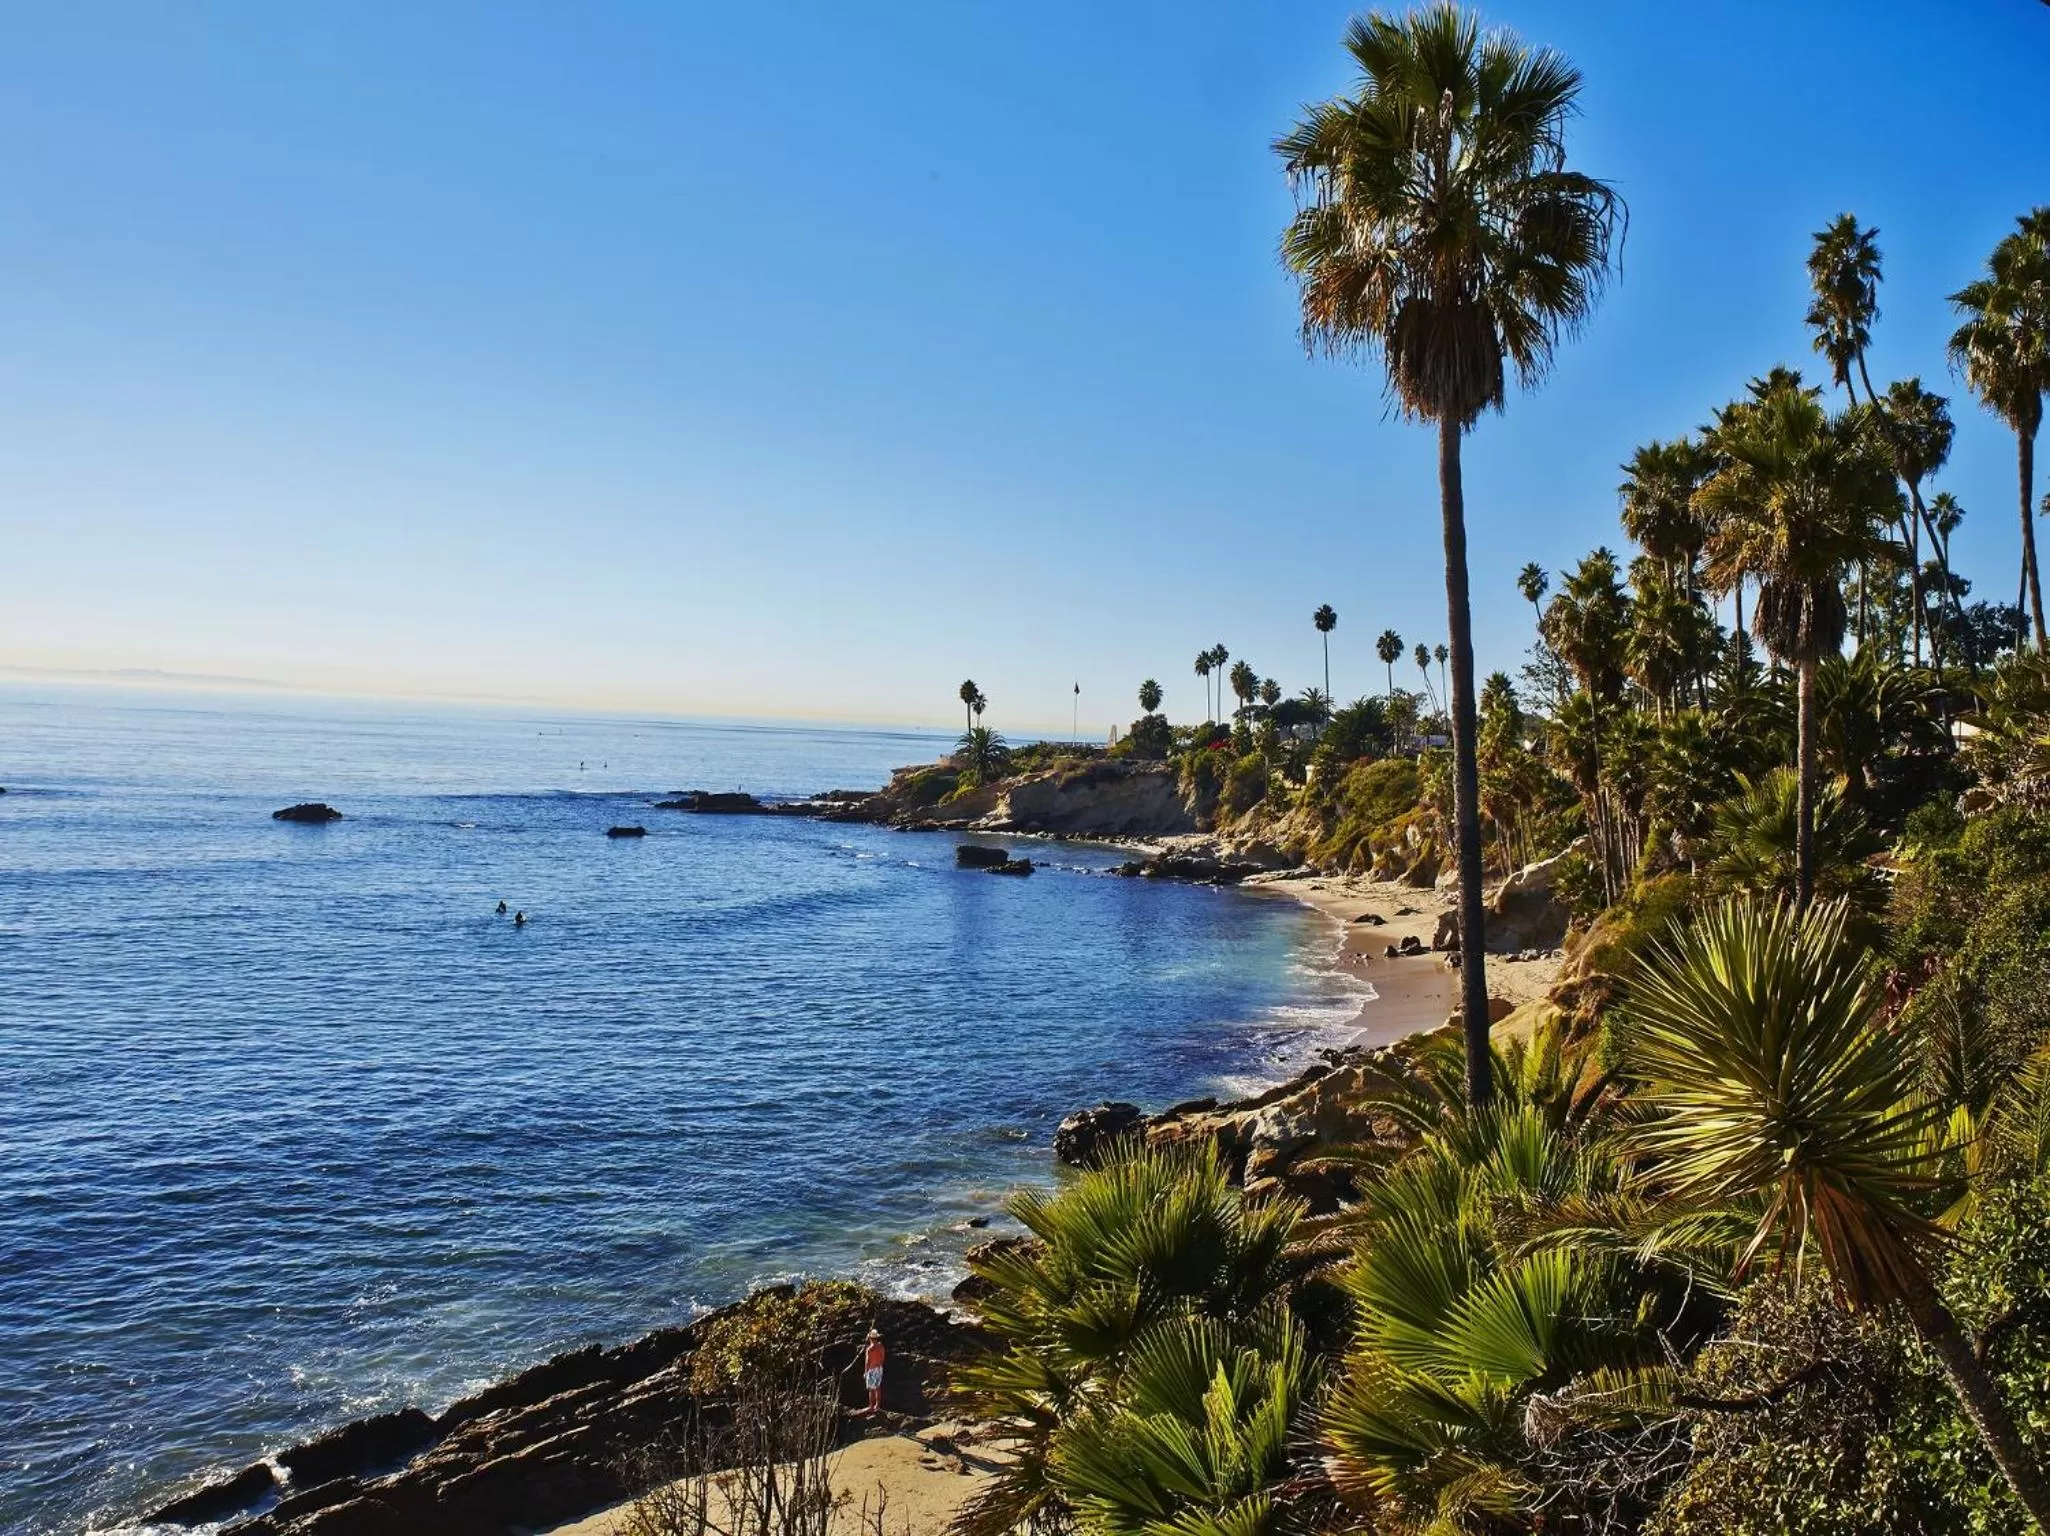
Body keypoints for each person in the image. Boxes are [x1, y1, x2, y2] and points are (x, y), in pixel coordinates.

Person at [860, 1326, 885, 1416]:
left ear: (870, 1338)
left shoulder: (870, 1349)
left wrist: (866, 1372)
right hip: (879, 1368)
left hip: (871, 1369)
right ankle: (877, 1405)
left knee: (871, 1389)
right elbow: (883, 1358)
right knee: (878, 1388)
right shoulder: (881, 1347)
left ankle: (871, 1406)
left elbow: (867, 1361)